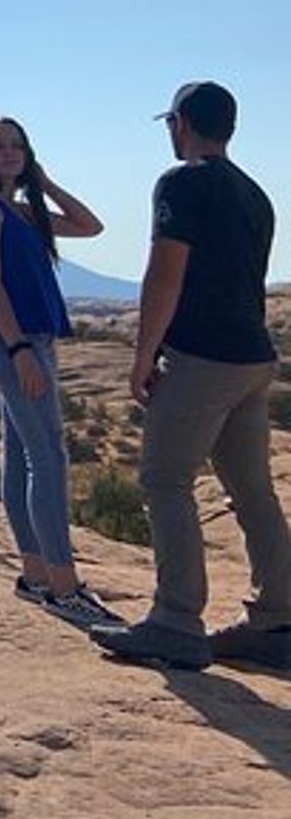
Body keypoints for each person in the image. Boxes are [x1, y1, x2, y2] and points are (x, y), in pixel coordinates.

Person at [91, 83, 290, 670]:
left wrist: (143, 355)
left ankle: (176, 621)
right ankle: (280, 621)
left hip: (203, 357)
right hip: (253, 358)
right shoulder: (255, 193)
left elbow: (165, 275)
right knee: (253, 489)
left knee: (165, 480)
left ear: (180, 123)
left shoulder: (181, 183)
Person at [0, 117, 120, 627]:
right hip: (14, 340)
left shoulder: (20, 210)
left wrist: (42, 183)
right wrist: (20, 347)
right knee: (49, 457)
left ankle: (36, 575)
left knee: (23, 454)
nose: (8, 152)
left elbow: (92, 225)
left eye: (16, 145)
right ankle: (64, 586)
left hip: (24, 340)